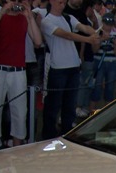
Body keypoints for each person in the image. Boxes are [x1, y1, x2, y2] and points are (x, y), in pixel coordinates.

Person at [0, 0, 42, 151]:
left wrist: (29, 16)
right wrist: (3, 11)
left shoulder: (24, 18)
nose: (16, 3)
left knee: (19, 112)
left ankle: (17, 148)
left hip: (18, 70)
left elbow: (38, 41)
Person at [40, 0, 100, 139]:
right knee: (53, 106)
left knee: (70, 105)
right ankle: (48, 136)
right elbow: (66, 35)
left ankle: (66, 133)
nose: (62, 3)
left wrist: (95, 33)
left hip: (73, 67)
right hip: (58, 68)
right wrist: (88, 39)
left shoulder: (68, 17)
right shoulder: (46, 21)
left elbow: (84, 27)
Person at [89, 11, 116, 110]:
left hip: (112, 62)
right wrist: (101, 39)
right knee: (96, 87)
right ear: (103, 23)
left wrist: (115, 43)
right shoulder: (97, 33)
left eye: (110, 25)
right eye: (106, 24)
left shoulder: (115, 35)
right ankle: (92, 111)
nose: (108, 27)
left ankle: (108, 112)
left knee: (110, 87)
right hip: (99, 61)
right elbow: (94, 50)